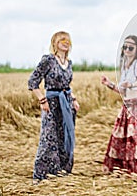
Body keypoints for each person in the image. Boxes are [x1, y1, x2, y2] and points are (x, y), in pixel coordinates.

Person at [28, 31, 80, 183]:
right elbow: (32, 82)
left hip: (67, 104)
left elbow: (66, 85)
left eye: (68, 40)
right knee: (48, 139)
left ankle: (60, 172)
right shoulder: (48, 60)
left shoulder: (69, 63)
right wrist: (42, 100)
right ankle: (41, 175)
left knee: (65, 137)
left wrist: (74, 99)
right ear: (55, 43)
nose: (65, 42)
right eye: (62, 40)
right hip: (51, 104)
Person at [101, 35, 137, 177]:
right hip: (126, 107)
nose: (127, 50)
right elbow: (123, 90)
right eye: (125, 47)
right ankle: (123, 170)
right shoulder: (125, 66)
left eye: (131, 47)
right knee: (122, 139)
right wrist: (109, 84)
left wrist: (133, 84)